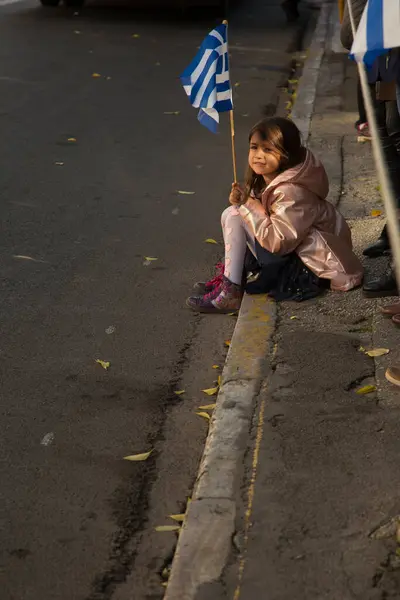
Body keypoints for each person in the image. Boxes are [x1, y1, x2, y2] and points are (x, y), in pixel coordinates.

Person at [186, 117, 363, 314]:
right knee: (233, 212)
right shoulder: (268, 179)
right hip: (293, 253)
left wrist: (248, 205)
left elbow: (279, 242)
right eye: (254, 147)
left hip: (309, 266)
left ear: (287, 154)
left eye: (268, 150)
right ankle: (230, 282)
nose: (258, 155)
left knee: (236, 214)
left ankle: (230, 292)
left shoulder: (292, 192)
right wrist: (247, 202)